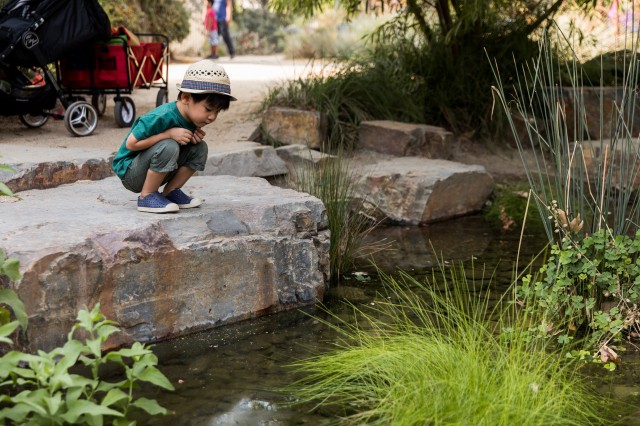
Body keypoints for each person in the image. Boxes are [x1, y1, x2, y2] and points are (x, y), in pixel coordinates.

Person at [112, 60, 236, 213]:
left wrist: (189, 140)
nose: (212, 117)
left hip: (156, 169)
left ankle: (171, 191)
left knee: (200, 148)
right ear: (185, 98)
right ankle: (147, 196)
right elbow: (131, 144)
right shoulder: (161, 116)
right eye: (208, 109)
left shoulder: (191, 118)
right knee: (169, 145)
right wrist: (168, 134)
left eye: (217, 112)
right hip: (131, 173)